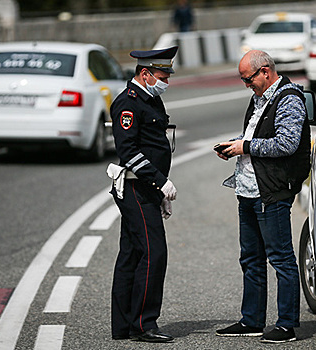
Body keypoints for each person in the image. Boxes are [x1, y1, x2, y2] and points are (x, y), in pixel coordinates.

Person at [214, 50, 311, 343]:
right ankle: (252, 320)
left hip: (271, 192)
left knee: (281, 258)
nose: (247, 85)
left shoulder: (289, 99)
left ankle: (286, 325)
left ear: (265, 71)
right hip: (247, 190)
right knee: (251, 259)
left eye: (248, 79)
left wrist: (245, 147)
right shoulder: (259, 99)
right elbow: (258, 138)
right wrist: (235, 146)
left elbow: (287, 143)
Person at [107, 46, 179, 343]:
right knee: (154, 252)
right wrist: (160, 182)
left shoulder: (151, 100)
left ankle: (123, 325)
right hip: (135, 186)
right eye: (162, 76)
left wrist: (158, 189)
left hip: (146, 188)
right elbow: (130, 153)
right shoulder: (128, 104)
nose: (166, 82)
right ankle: (143, 324)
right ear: (145, 73)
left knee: (132, 253)